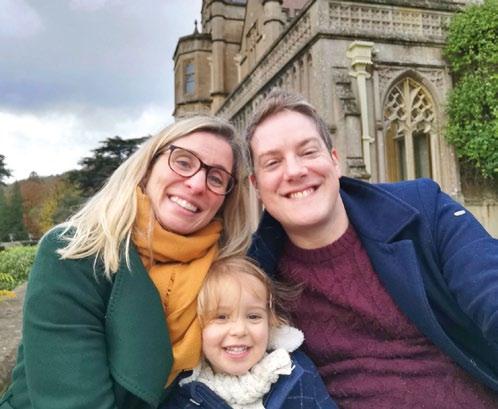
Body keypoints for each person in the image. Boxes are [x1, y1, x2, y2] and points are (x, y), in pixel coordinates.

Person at [246, 89, 498, 408]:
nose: (295, 171)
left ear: (334, 161)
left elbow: (486, 279)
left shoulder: (421, 209)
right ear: (256, 186)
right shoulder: (255, 277)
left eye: (308, 152)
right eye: (273, 162)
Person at [0, 116, 252, 409]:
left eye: (217, 178)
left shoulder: (226, 272)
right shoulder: (74, 253)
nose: (197, 184)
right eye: (183, 162)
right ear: (148, 167)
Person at [160, 256, 338, 409]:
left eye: (253, 316)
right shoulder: (184, 393)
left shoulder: (295, 374)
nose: (239, 330)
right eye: (221, 317)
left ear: (271, 321)